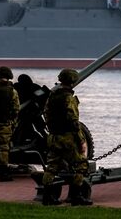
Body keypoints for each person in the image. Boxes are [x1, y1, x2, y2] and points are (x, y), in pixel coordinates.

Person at [42, 68, 92, 206]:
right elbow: (73, 121)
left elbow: (46, 115)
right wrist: (81, 140)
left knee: (52, 166)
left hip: (54, 136)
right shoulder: (68, 98)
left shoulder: (52, 97)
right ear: (72, 81)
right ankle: (76, 196)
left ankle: (47, 197)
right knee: (81, 165)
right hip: (68, 138)